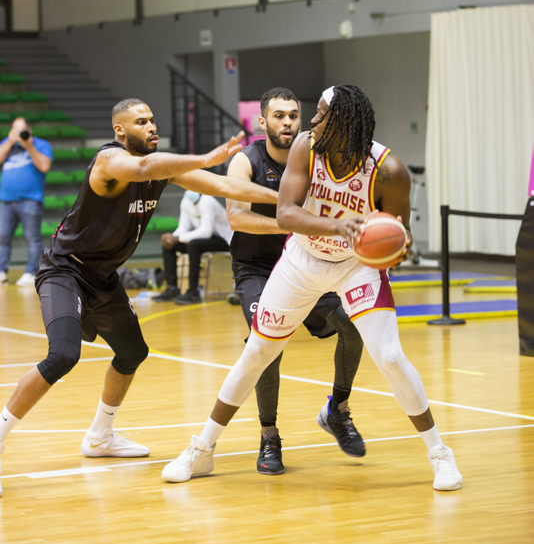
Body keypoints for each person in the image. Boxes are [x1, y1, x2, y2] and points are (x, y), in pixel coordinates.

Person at [163, 85, 463, 492]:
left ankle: (440, 454)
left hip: (355, 267)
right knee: (257, 351)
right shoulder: (308, 148)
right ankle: (202, 450)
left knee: (390, 356)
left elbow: (402, 236)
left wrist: (394, 250)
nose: (312, 122)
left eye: (321, 115)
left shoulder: (389, 171)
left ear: (343, 123)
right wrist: (338, 226)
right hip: (301, 261)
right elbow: (286, 213)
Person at [0, 98, 277, 497]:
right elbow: (146, 167)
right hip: (65, 269)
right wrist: (206, 155)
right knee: (63, 355)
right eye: (141, 121)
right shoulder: (110, 162)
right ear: (119, 131)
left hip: (104, 277)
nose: (151, 127)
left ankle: (100, 437)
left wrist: (287, 199)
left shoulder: (160, 170)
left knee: (132, 353)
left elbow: (225, 185)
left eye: (153, 120)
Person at [225, 87, 364, 475]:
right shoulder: (245, 161)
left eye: (293, 116)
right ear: (263, 121)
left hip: (306, 264)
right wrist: (290, 224)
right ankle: (269, 435)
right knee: (266, 344)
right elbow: (236, 216)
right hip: (257, 270)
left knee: (353, 328)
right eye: (279, 116)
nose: (287, 122)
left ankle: (338, 410)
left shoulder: (316, 156)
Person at [0, 116, 53, 287]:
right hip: (6, 200)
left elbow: (44, 166)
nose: (19, 134)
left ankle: (32, 272)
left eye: (22, 130)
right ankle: (1, 271)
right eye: (15, 130)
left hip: (30, 200)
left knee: (32, 238)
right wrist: (9, 141)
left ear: (29, 130)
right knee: (2, 237)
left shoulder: (41, 145)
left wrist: (28, 146)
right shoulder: (8, 145)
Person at [154, 191, 232, 304]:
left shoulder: (208, 201)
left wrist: (178, 238)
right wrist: (171, 238)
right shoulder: (186, 201)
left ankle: (193, 291)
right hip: (207, 240)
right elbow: (183, 227)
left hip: (225, 240)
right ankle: (172, 288)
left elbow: (206, 232)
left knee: (193, 245)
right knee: (170, 246)